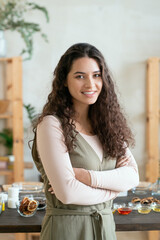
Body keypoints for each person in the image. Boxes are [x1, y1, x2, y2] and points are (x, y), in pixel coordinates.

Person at [31, 43, 139, 240]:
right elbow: (68, 194)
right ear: (64, 80)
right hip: (67, 230)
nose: (90, 84)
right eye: (80, 76)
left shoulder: (108, 126)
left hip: (105, 229)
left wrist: (87, 178)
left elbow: (132, 177)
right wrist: (113, 191)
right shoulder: (51, 125)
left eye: (96, 75)